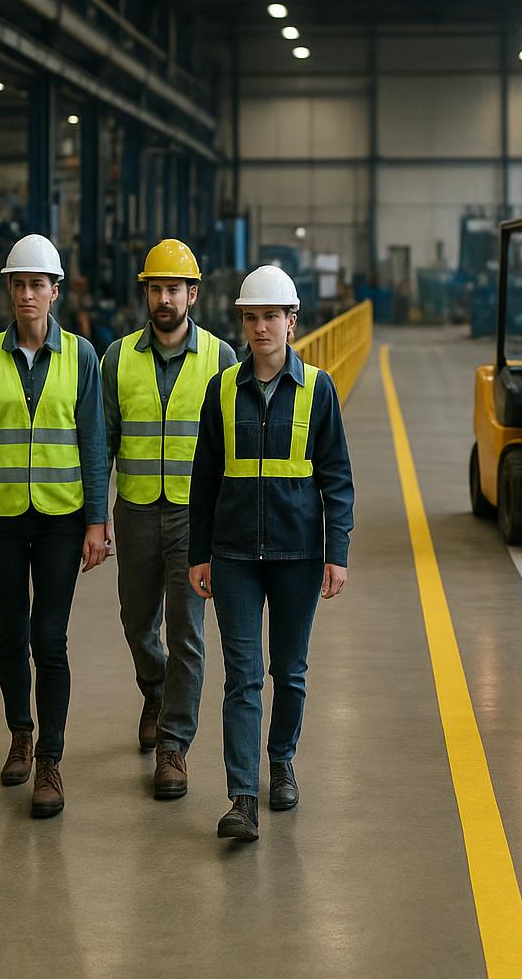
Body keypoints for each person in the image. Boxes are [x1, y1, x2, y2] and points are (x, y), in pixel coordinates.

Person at [188, 264, 354, 842]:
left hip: (298, 554)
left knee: (290, 672)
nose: (261, 328)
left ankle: (281, 761)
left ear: (292, 320)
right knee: (242, 676)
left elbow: (336, 475)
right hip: (233, 555)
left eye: (271, 317)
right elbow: (205, 476)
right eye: (251, 317)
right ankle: (242, 796)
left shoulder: (319, 390)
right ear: (243, 322)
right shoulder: (221, 390)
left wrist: (338, 551)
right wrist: (198, 552)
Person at [0, 234, 109, 819]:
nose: (26, 294)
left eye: (36, 284)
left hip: (63, 519)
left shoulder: (83, 357)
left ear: (55, 292)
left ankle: (50, 759)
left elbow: (94, 443)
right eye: (17, 284)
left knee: (50, 637)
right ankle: (20, 734)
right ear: (9, 291)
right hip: (2, 518)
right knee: (12, 635)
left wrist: (98, 519)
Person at [101, 239, 236, 798]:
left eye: (173, 288)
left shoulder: (221, 359)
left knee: (187, 633)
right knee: (137, 622)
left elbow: (232, 447)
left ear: (192, 295)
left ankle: (173, 745)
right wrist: (95, 516)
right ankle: (153, 691)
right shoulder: (117, 358)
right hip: (133, 510)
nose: (163, 298)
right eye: (155, 288)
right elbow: (101, 443)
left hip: (192, 518)